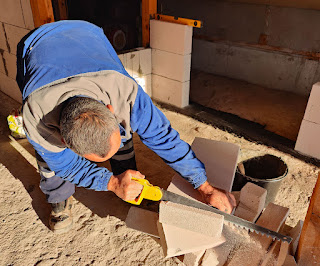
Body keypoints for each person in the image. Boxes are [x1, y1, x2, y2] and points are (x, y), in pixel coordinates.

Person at [17, 20, 236, 234]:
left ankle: (128, 180)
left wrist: (204, 186)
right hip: (36, 46)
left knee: (124, 133)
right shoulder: (36, 118)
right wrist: (110, 183)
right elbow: (67, 166)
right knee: (49, 160)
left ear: (111, 110)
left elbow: (163, 137)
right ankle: (59, 199)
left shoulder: (126, 94)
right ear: (64, 140)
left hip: (87, 36)